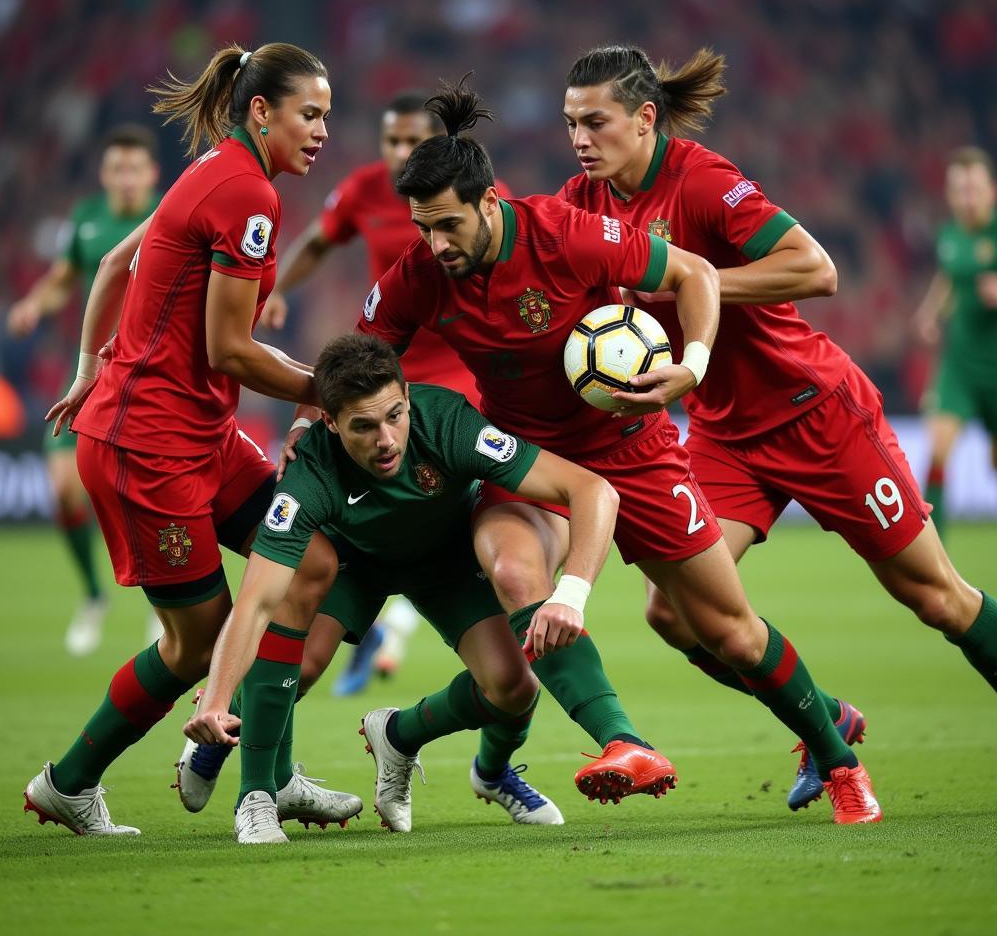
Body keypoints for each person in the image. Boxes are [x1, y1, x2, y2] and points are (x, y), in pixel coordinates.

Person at [332, 79, 882, 824]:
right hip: (524, 458)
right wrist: (312, 430)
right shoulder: (420, 277)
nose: (436, 245)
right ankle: (622, 741)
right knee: (512, 568)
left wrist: (691, 364)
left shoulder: (565, 233)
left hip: (632, 444)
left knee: (729, 632)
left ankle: (840, 762)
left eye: (449, 226)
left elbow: (691, 273)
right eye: (423, 228)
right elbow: (354, 371)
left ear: (490, 203)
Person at [558, 44, 996, 811]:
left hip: (816, 413)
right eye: (571, 124)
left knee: (937, 599)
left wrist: (688, 277)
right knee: (674, 611)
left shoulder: (703, 181)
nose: (580, 139)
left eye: (596, 122)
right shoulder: (584, 201)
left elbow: (815, 268)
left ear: (645, 119)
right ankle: (824, 720)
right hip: (725, 436)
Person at [22, 42, 360, 839]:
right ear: (261, 111)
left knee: (311, 564)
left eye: (327, 117)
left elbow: (113, 262)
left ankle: (268, 776)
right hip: (148, 449)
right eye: (310, 115)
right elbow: (229, 351)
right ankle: (70, 782)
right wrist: (336, 394)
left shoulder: (216, 166)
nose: (320, 132)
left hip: (202, 435)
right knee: (198, 643)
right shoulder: (246, 194)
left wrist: (85, 368)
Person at [184, 333, 622, 842]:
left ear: (408, 397)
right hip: (356, 564)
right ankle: (252, 787)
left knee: (514, 687)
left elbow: (588, 488)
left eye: (394, 416)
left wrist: (570, 592)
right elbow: (257, 602)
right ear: (329, 422)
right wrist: (214, 698)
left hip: (444, 563)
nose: (386, 439)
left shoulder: (449, 422)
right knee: (293, 668)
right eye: (363, 427)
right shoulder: (309, 476)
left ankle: (407, 739)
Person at [261, 92, 500, 695]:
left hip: (452, 380)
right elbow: (318, 239)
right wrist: (280, 289)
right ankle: (372, 618)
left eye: (410, 141)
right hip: (379, 371)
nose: (399, 154)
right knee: (378, 503)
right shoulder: (365, 189)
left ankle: (389, 623)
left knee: (447, 507)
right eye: (390, 141)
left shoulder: (461, 198)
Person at [6, 126, 160, 655]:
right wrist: (34, 303)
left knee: (144, 495)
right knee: (63, 488)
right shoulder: (87, 217)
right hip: (91, 370)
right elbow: (62, 278)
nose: (124, 178)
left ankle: (163, 604)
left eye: (133, 169)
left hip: (146, 373)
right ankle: (94, 596)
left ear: (150, 174)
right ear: (103, 173)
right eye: (115, 168)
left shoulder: (168, 213)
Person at [914, 146, 997, 537]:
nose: (966, 198)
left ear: (991, 191)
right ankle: (934, 550)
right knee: (939, 449)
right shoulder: (949, 234)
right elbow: (949, 277)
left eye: (973, 189)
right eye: (959, 190)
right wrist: (930, 313)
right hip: (961, 365)